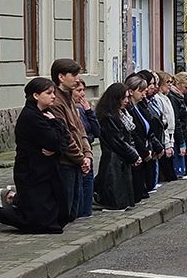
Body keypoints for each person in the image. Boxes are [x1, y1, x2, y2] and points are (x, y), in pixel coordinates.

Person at [0, 78, 69, 234]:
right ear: (36, 95)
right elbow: (54, 142)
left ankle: (14, 198)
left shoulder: (47, 114)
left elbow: (64, 140)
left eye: (54, 93)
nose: (53, 96)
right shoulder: (31, 116)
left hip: (47, 171)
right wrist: (57, 132)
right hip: (31, 172)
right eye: (49, 93)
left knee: (57, 217)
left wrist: (57, 137)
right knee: (39, 223)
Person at [47, 59, 91, 225]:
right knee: (64, 210)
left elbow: (80, 130)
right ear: (61, 77)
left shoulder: (70, 99)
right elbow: (65, 135)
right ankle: (14, 198)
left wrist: (87, 154)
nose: (77, 79)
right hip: (65, 161)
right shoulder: (56, 102)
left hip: (77, 161)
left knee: (73, 210)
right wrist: (81, 158)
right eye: (73, 75)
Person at [91, 82, 140, 211]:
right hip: (113, 158)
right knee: (113, 186)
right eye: (124, 98)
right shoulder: (108, 117)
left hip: (121, 158)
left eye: (127, 98)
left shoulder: (122, 114)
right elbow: (117, 141)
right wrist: (133, 155)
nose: (126, 101)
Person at [73, 81, 99, 217]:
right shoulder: (69, 111)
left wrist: (89, 111)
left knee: (88, 189)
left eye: (83, 90)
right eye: (78, 90)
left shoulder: (83, 109)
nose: (82, 94)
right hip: (76, 156)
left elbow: (96, 131)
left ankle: (86, 214)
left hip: (87, 154)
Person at [152, 72, 178, 185]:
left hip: (169, 134)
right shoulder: (158, 99)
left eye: (171, 83)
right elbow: (163, 122)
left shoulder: (166, 98)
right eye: (167, 82)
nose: (170, 85)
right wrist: (167, 143)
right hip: (163, 136)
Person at [169, 74, 187, 179]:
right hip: (177, 135)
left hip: (181, 133)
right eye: (185, 87)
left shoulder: (179, 97)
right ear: (178, 84)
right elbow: (176, 120)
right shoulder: (174, 98)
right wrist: (181, 141)